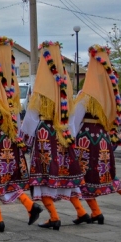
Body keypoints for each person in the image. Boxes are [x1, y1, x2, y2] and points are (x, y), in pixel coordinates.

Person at [70, 45, 121, 221]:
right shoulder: (110, 94)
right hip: (102, 138)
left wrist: (68, 138)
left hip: (86, 139)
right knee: (105, 172)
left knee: (80, 175)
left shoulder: (86, 95)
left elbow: (75, 119)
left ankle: (94, 211)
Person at [0, 37, 42, 232]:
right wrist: (18, 136)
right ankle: (29, 206)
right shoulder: (13, 90)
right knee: (7, 178)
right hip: (9, 138)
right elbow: (17, 117)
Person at [19, 41, 85, 230]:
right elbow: (71, 118)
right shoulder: (66, 90)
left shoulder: (40, 92)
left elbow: (31, 117)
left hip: (45, 134)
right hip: (62, 133)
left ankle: (54, 216)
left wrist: (24, 138)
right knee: (65, 173)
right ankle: (80, 210)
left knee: (43, 176)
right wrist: (70, 136)